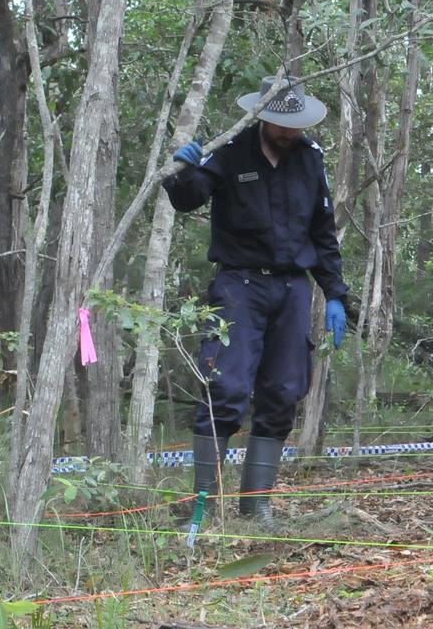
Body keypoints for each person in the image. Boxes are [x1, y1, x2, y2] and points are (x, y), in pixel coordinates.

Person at [163, 75, 348, 529]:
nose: (291, 132)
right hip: (239, 286)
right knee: (225, 388)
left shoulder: (309, 159)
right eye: (283, 124)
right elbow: (188, 200)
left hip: (292, 289)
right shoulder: (228, 151)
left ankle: (256, 505)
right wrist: (183, 170)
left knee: (284, 391)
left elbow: (322, 233)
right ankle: (202, 504)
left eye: (296, 125)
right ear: (263, 117)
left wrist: (335, 293)